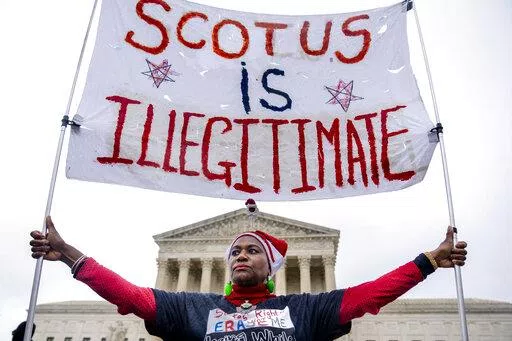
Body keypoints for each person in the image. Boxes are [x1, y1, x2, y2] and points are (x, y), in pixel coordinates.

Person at [30, 216, 467, 341]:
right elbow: (129, 296)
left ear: (271, 265)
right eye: (235, 250)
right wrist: (70, 255)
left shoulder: (302, 310)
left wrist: (428, 260)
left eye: (252, 249)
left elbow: (369, 296)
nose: (240, 255)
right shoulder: (193, 309)